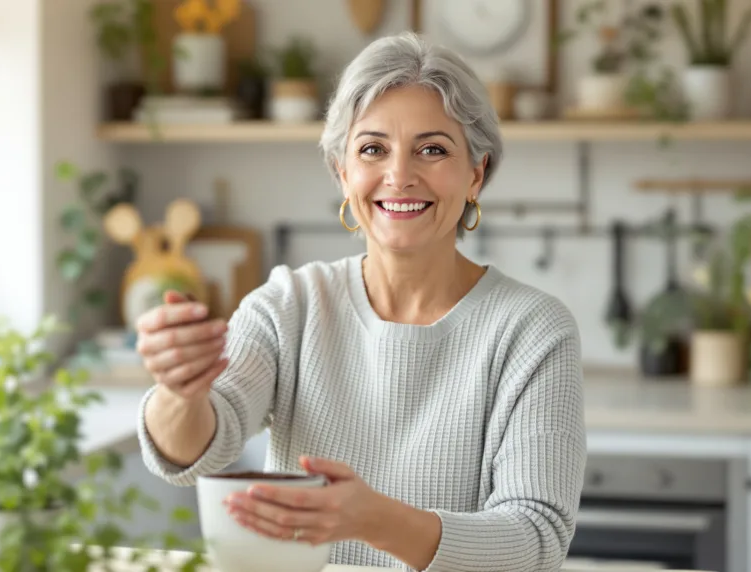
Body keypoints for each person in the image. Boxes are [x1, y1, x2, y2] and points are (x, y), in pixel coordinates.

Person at [133, 31, 586, 571]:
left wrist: (374, 519)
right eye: (373, 149)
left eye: (433, 149)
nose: (400, 176)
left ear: (475, 173)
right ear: (342, 172)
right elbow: (192, 453)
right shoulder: (289, 305)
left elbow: (536, 543)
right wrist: (179, 392)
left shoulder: (533, 330)